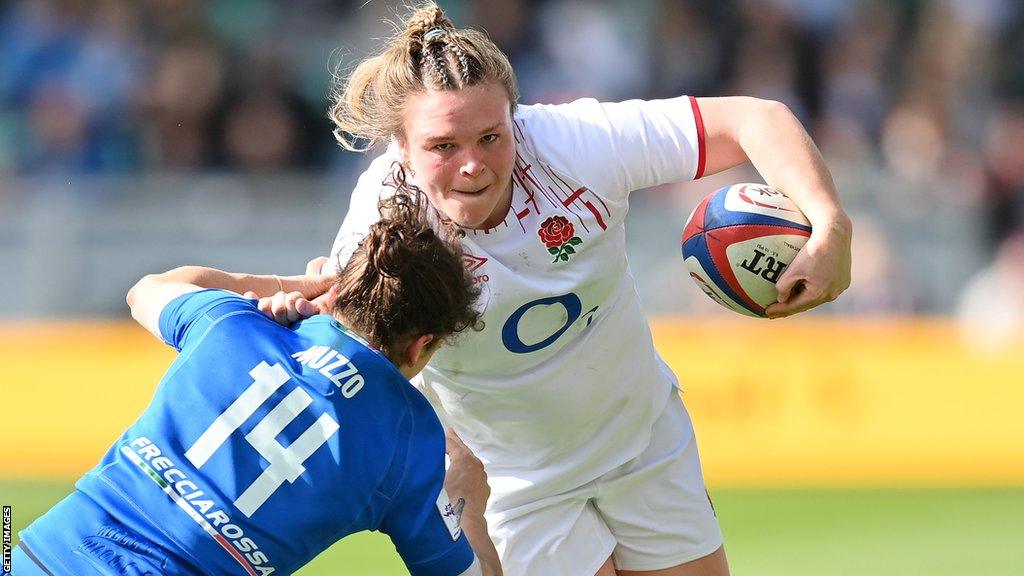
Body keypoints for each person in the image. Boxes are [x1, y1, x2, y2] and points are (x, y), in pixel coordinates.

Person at [321, 3, 853, 575]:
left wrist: (830, 224)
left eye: (491, 137)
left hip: (645, 442)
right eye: (443, 146)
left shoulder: (575, 145)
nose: (472, 165)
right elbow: (342, 328)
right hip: (519, 487)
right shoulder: (380, 222)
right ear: (401, 147)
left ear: (516, 120)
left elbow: (757, 119)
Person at [13, 193, 503, 576]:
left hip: (42, 550)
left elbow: (145, 290)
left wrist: (280, 286)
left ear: (337, 290)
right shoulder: (410, 438)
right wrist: (470, 509)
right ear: (422, 345)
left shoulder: (235, 323)